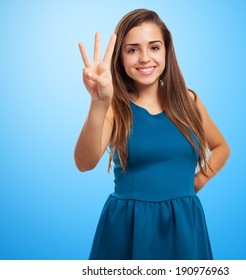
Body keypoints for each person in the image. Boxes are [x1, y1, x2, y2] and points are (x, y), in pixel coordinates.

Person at [74, 9, 230, 260]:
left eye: (154, 47)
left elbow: (222, 147)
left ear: (167, 51)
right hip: (128, 227)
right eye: (132, 49)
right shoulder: (115, 107)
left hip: (184, 225)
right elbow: (84, 162)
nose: (145, 58)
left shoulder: (190, 101)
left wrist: (194, 184)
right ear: (120, 58)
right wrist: (98, 103)